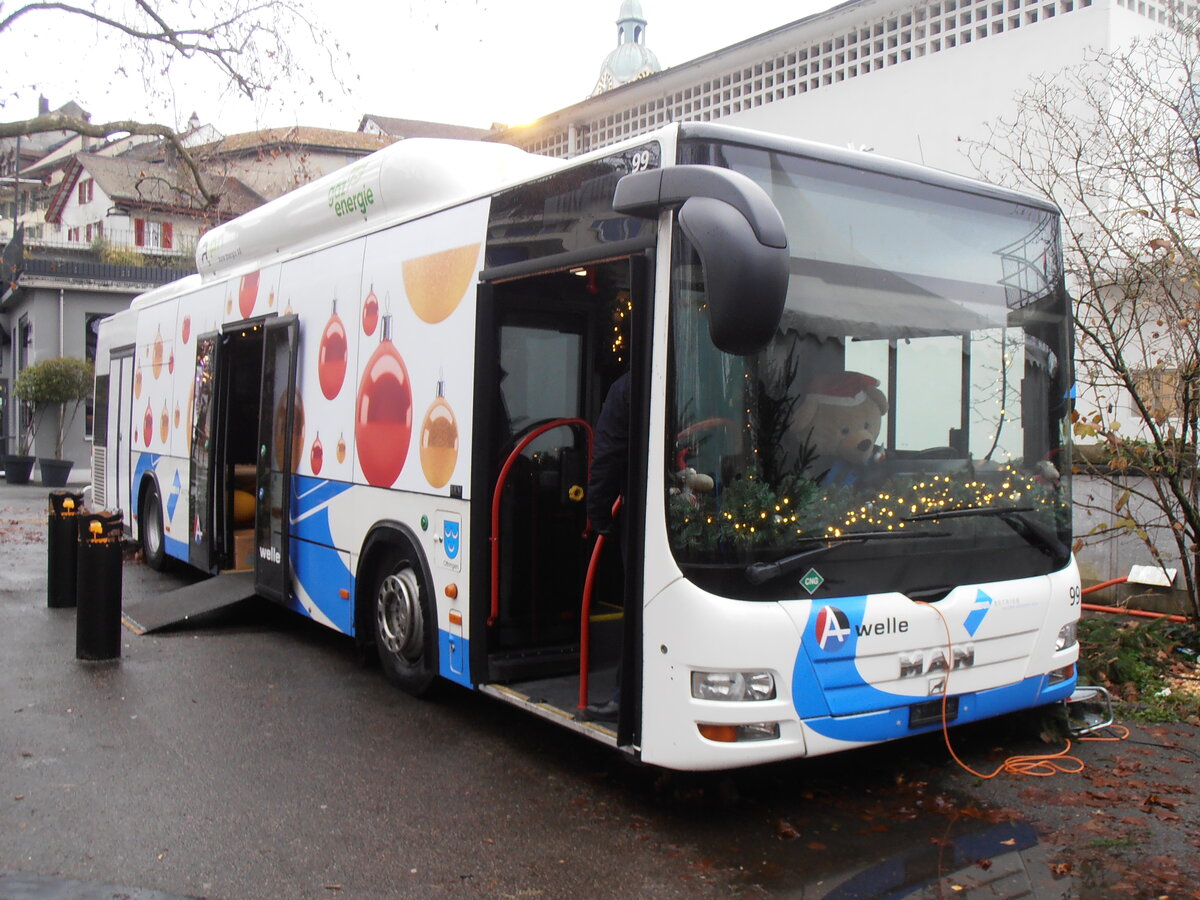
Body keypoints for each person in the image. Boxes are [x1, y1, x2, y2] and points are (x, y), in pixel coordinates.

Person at [583, 371, 629, 722]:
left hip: (643, 512)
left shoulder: (625, 387)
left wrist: (599, 514)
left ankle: (623, 694)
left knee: (640, 604)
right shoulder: (698, 377)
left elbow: (608, 454)